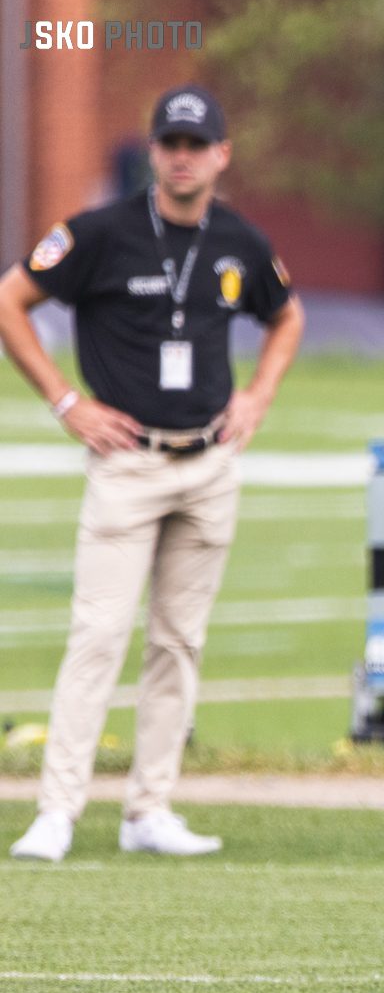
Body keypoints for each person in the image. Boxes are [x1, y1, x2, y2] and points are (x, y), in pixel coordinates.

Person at [4, 85, 303, 864]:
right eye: (170, 143)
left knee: (179, 641)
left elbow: (287, 314)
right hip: (127, 464)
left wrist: (258, 396)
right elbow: (12, 298)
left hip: (207, 461)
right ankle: (57, 811)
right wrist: (67, 400)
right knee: (97, 634)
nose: (181, 157)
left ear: (221, 155)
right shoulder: (100, 232)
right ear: (154, 151)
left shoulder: (238, 239)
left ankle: (150, 808)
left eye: (196, 144)